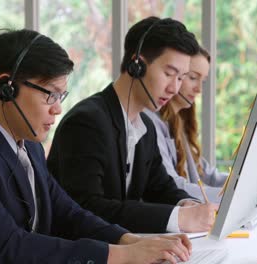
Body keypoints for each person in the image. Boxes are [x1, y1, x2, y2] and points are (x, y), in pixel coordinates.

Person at [0, 28, 194, 264]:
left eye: (61, 95)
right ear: (6, 88)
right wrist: (121, 256)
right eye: (50, 95)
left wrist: (129, 240)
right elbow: (7, 248)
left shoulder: (29, 146)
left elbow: (67, 213)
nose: (58, 109)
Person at [47, 17, 218, 234]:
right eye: (169, 74)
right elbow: (87, 207)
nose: (175, 88)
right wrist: (178, 218)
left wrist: (188, 205)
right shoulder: (87, 123)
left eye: (181, 78)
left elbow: (161, 188)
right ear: (136, 65)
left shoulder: (145, 126)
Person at [144, 47, 228, 204]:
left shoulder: (178, 121)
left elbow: (206, 174)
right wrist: (231, 197)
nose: (199, 89)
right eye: (192, 78)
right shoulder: (152, 122)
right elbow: (172, 185)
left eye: (202, 81)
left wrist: (242, 184)